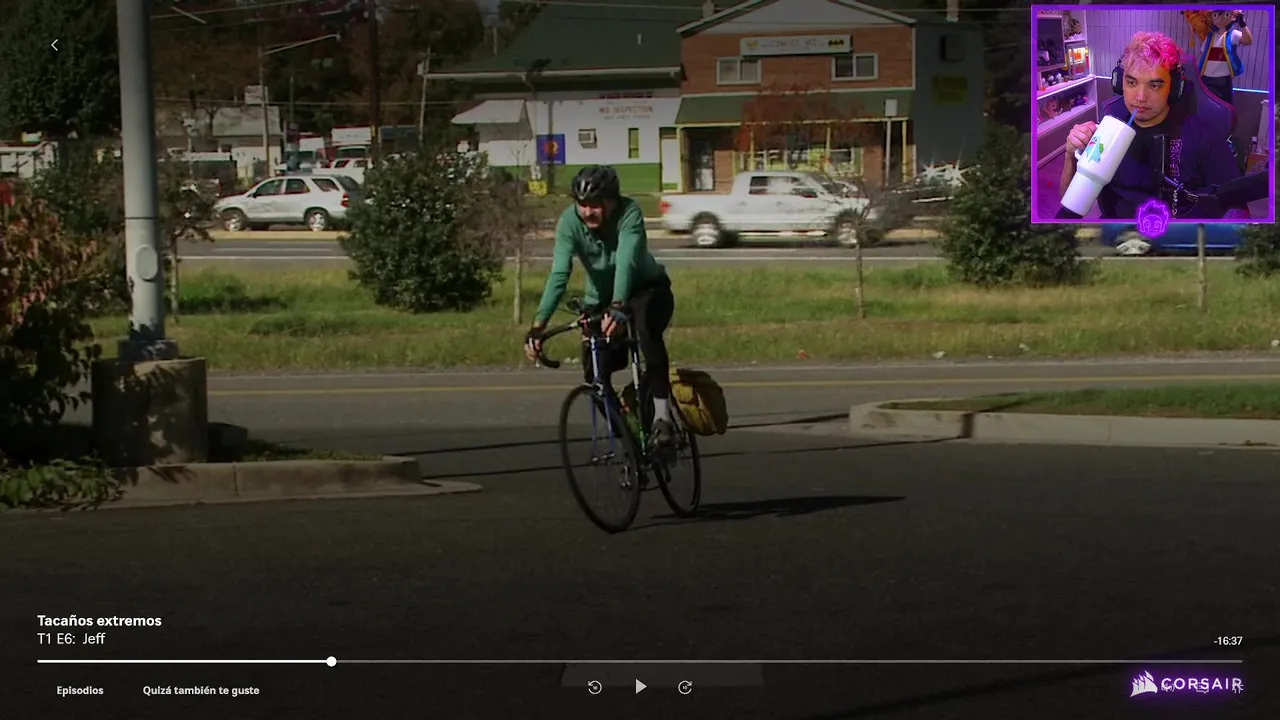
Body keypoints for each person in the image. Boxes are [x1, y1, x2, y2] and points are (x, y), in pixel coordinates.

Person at [523, 165, 677, 448]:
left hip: (647, 289)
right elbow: (559, 273)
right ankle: (629, 441)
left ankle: (662, 417)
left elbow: (627, 261)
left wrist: (618, 306)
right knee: (595, 372)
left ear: (612, 201)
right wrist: (538, 326)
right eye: (582, 204)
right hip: (601, 300)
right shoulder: (569, 222)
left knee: (646, 332)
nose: (587, 212)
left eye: (595, 205)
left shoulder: (629, 212)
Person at [1059, 31, 1242, 220]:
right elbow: (1070, 205)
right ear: (1119, 83)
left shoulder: (1203, 136)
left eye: (1155, 85)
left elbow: (1236, 207)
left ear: (1174, 87)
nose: (1140, 97)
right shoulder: (1107, 130)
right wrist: (1070, 155)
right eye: (1132, 82)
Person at [1196, 9, 1253, 106]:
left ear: (1233, 17)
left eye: (1226, 15)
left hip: (1223, 80)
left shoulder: (1233, 34)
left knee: (1225, 106)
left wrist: (1242, 23)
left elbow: (1248, 41)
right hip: (1206, 79)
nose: (1220, 18)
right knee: (1207, 106)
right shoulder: (1209, 36)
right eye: (1215, 15)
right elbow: (1202, 54)